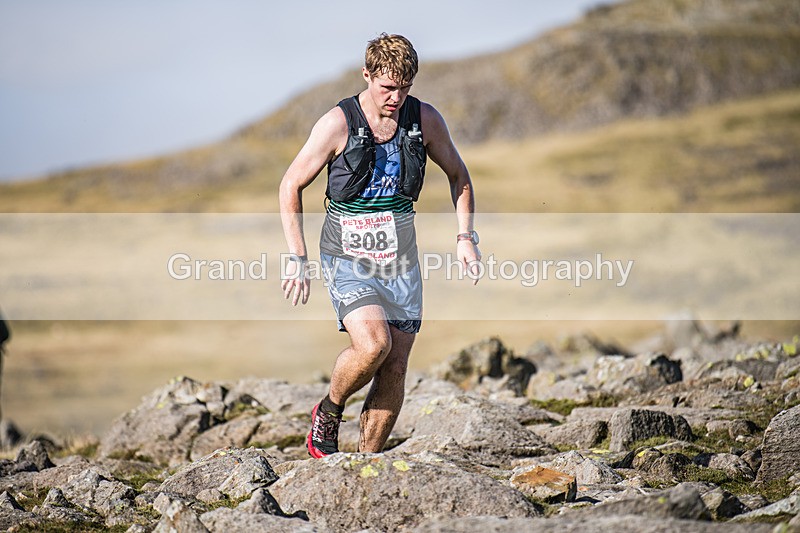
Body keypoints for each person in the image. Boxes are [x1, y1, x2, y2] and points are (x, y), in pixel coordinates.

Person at [279, 33, 480, 457]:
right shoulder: (337, 123)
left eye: (405, 87)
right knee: (374, 345)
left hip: (401, 259)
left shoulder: (425, 119)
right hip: (347, 254)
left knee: (396, 365)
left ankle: (368, 466)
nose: (396, 97)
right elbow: (291, 185)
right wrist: (297, 257)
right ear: (366, 75)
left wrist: (465, 237)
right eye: (388, 87)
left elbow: (459, 176)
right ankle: (329, 410)